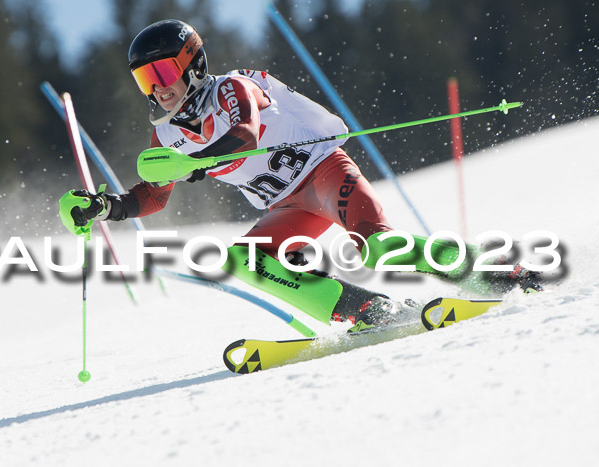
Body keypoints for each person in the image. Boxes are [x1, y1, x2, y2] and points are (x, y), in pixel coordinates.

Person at [60, 19, 539, 332]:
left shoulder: (231, 87)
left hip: (323, 171)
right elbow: (155, 195)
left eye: (163, 72)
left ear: (193, 64)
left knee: (378, 246)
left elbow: (245, 133)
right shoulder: (165, 136)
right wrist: (108, 207)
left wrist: (198, 161)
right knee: (245, 260)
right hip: (287, 207)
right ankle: (362, 309)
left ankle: (495, 272)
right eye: (146, 80)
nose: (158, 89)